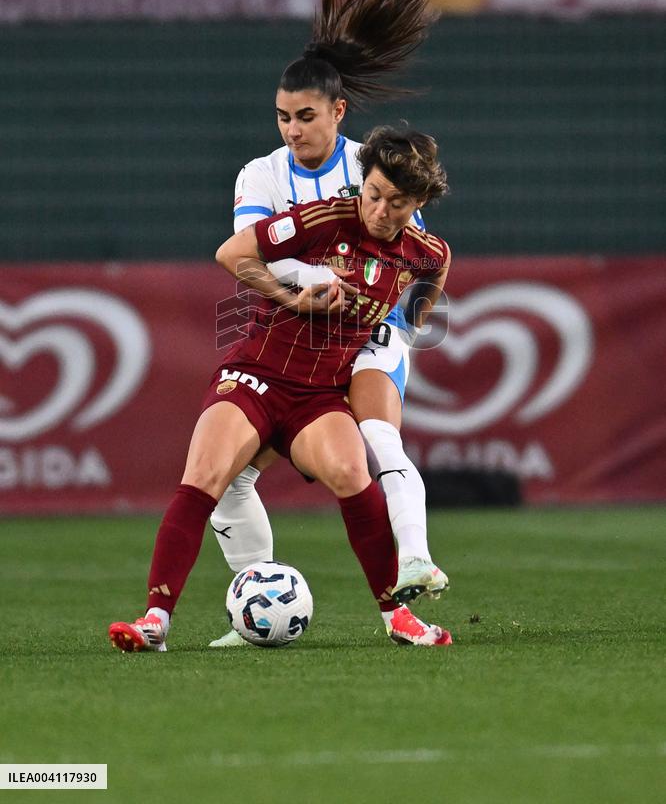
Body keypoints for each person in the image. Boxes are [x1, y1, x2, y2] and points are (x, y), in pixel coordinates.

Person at [108, 125, 453, 652]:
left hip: (321, 395)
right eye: (374, 193)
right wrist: (291, 297)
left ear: (419, 203)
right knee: (206, 476)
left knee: (353, 473)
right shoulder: (322, 218)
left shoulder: (427, 254)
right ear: (363, 182)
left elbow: (423, 301)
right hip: (256, 375)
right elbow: (233, 253)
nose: (380, 210)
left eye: (398, 203)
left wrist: (390, 336)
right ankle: (155, 621)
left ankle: (397, 616)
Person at [208, 0, 450, 648]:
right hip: (298, 338)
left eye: (305, 116)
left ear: (338, 113)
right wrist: (307, 288)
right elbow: (251, 256)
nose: (293, 130)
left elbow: (417, 253)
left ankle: (411, 580)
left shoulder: (376, 169)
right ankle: (256, 605)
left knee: (375, 444)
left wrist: (402, 325)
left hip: (366, 337)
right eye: (283, 117)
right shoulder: (260, 174)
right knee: (227, 480)